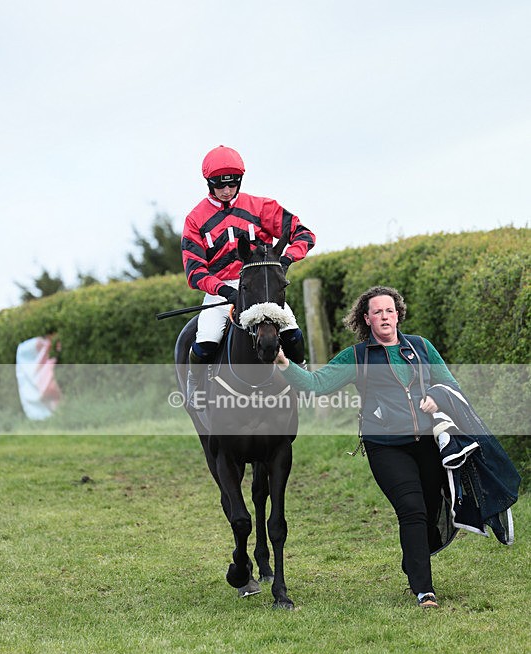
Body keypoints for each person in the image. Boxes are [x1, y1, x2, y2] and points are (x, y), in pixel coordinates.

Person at [275, 286, 465, 609]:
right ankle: (424, 590)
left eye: (389, 311)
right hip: (386, 447)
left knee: (431, 509)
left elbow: (451, 384)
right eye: (377, 312)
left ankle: (413, 560)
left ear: (398, 315)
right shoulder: (357, 357)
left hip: (428, 443)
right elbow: (316, 385)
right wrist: (283, 362)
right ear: (366, 319)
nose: (385, 317)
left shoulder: (421, 347)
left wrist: (437, 395)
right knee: (412, 509)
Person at [181, 145, 315, 405]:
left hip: (261, 287)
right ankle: (194, 387)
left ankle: (303, 380)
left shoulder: (262, 207)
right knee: (206, 341)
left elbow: (304, 234)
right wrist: (224, 291)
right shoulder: (195, 220)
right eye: (220, 185)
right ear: (209, 183)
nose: (227, 191)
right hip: (221, 290)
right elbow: (194, 271)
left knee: (293, 334)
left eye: (232, 184)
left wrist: (285, 259)